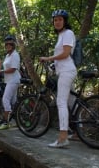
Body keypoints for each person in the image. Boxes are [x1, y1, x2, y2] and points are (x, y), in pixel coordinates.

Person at [39, 9, 77, 148]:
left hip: (67, 71)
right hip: (65, 71)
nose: (57, 22)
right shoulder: (61, 35)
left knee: (61, 102)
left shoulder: (68, 33)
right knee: (72, 102)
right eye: (55, 20)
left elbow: (66, 54)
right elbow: (61, 56)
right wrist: (53, 66)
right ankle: (78, 132)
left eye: (60, 19)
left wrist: (48, 58)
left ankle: (62, 137)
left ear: (65, 21)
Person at [0, 35, 21, 130]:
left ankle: (6, 122)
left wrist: (1, 71)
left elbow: (13, 69)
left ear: (13, 45)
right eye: (6, 44)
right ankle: (16, 121)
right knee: (13, 101)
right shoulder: (7, 55)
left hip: (13, 80)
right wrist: (1, 71)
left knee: (5, 99)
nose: (7, 46)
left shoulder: (15, 55)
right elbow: (6, 68)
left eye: (10, 44)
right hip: (9, 80)